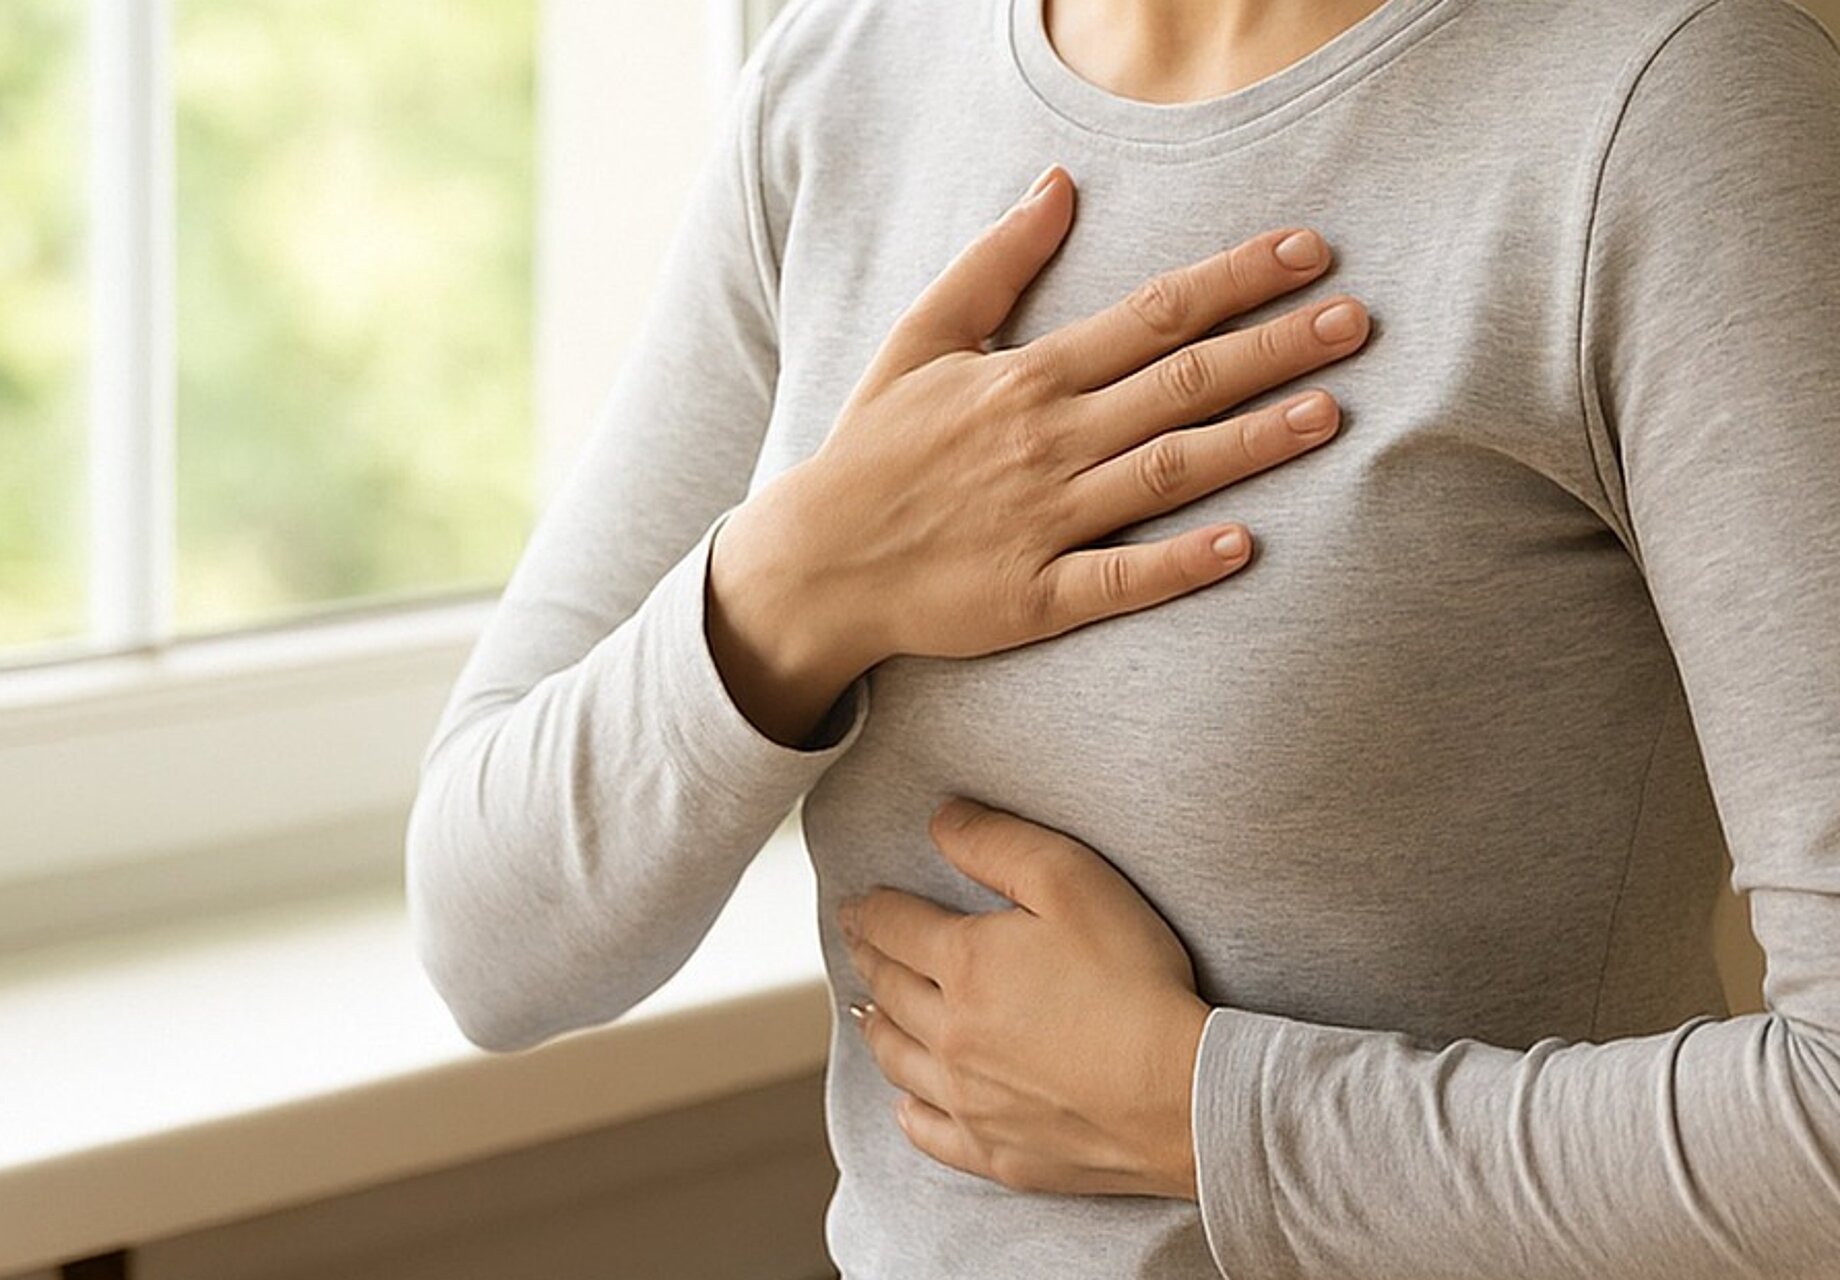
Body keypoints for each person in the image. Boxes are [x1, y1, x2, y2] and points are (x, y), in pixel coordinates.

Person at [403, 0, 1840, 1274]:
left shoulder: (1668, 102)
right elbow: (492, 939)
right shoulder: (840, 82)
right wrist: (803, 575)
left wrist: (1213, 1117)